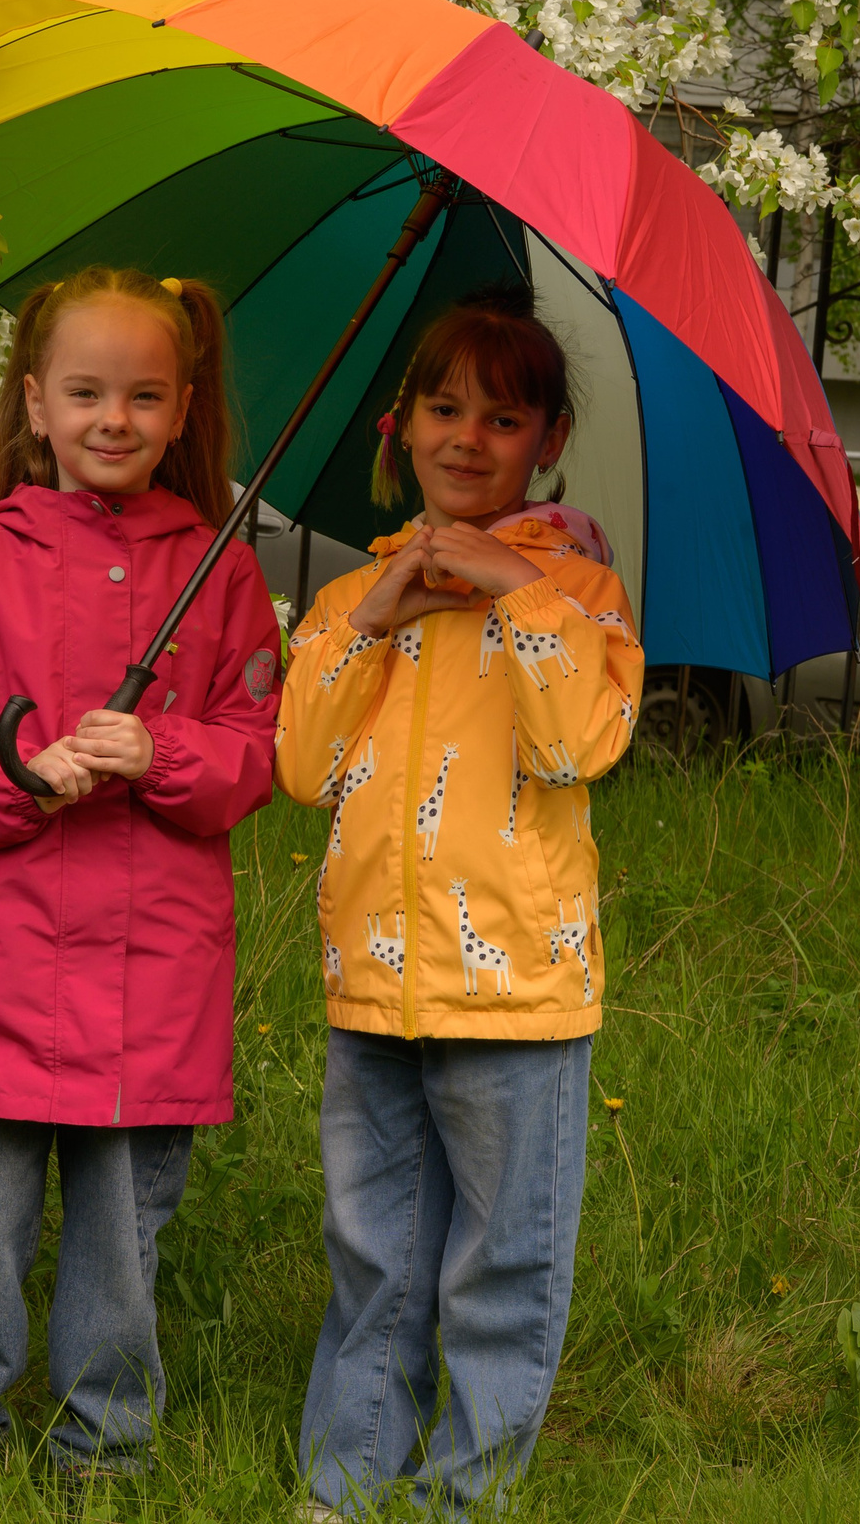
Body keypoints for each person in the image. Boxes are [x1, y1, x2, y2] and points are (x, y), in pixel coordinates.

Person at [0, 267, 280, 1496]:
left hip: (147, 983)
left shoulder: (220, 573)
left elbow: (258, 755)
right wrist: (21, 771)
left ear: (181, 408)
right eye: (87, 391)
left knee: (118, 1239)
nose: (114, 418)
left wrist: (163, 751)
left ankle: (104, 1441)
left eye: (144, 395)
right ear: (35, 403)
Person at [276, 284, 641, 1518]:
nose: (465, 436)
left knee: (500, 1266)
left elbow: (573, 748)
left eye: (502, 416)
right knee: (374, 1256)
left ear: (545, 444)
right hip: (372, 983)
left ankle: (463, 1495)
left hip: (515, 990)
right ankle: (346, 1485)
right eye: (443, 407)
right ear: (400, 424)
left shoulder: (577, 597)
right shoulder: (351, 601)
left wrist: (511, 587)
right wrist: (376, 617)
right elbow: (302, 765)